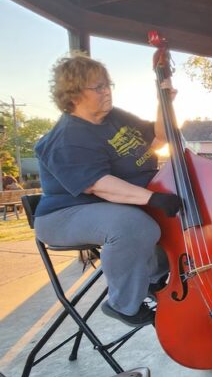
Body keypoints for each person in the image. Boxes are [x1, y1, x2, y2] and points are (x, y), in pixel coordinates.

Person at [34, 52, 179, 327]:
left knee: (162, 216)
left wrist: (164, 103)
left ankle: (153, 279)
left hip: (111, 203)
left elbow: (160, 138)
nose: (106, 92)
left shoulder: (115, 117)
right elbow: (99, 186)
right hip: (65, 214)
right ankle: (123, 304)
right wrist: (152, 197)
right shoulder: (66, 137)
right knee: (134, 226)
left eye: (107, 84)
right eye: (98, 87)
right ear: (74, 93)